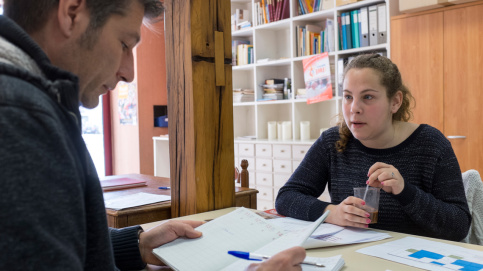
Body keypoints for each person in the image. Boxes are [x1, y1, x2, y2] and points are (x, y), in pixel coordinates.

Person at [0, 0, 305, 270]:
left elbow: (60, 238)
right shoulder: (19, 116)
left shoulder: (31, 103)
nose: (129, 72)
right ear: (71, 13)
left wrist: (136, 246)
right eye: (124, 44)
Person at [275, 54, 471, 242]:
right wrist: (331, 212)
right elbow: (286, 198)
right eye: (348, 97)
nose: (354, 108)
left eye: (367, 97)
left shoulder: (431, 144)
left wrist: (405, 191)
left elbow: (459, 225)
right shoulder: (332, 142)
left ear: (395, 102)